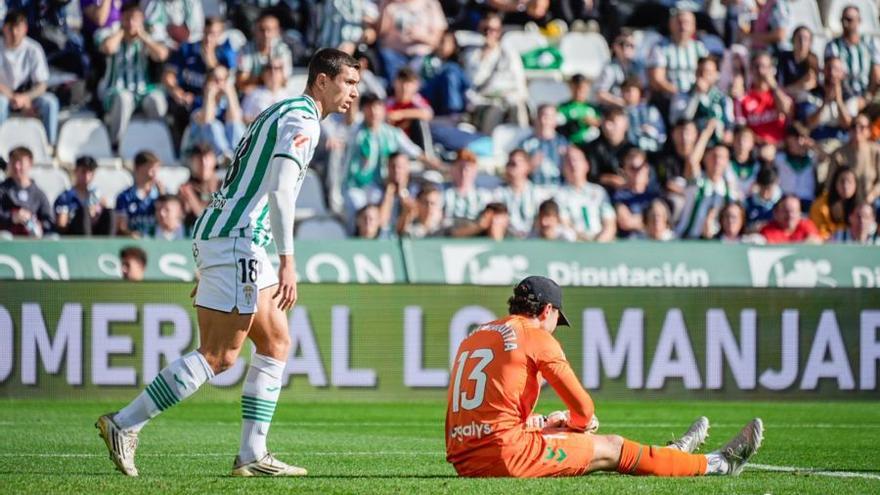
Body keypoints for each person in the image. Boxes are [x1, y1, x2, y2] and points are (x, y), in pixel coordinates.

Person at [96, 48, 360, 478]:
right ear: (322, 81)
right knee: (219, 356)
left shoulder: (281, 111)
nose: (353, 93)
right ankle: (124, 423)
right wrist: (288, 261)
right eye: (348, 83)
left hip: (230, 237)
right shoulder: (303, 120)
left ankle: (252, 453)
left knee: (275, 342)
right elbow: (279, 190)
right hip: (241, 241)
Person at [446, 275, 763, 478]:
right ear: (547, 312)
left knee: (585, 446)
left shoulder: (476, 334)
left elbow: (482, 414)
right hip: (504, 458)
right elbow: (584, 411)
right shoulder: (537, 336)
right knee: (610, 446)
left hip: (464, 457)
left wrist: (543, 424)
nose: (557, 325)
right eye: (558, 317)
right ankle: (716, 464)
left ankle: (672, 456)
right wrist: (574, 427)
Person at [96, 2, 169, 146]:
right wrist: (123, 31)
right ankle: (116, 144)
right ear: (121, 18)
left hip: (143, 89)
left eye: (135, 19)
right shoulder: (110, 31)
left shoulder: (149, 34)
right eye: (127, 18)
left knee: (157, 99)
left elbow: (161, 55)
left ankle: (158, 143)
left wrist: (143, 36)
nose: (131, 23)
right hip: (115, 89)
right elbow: (108, 48)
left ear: (142, 20)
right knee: (124, 99)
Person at [0, 10, 59, 147]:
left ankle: (49, 147)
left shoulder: (34, 49)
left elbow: (41, 85)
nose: (15, 33)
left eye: (18, 28)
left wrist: (26, 98)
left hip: (28, 97)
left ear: (25, 29)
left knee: (50, 103)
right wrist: (13, 97)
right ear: (4, 28)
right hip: (4, 96)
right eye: (11, 28)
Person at [462, 12, 528, 133]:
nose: (489, 33)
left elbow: (520, 85)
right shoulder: (469, 54)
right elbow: (468, 84)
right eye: (485, 29)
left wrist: (508, 98)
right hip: (478, 102)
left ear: (499, 32)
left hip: (504, 100)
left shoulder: (508, 54)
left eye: (493, 30)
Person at [676, 120, 741, 239]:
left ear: (727, 162)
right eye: (714, 156)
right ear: (705, 158)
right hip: (688, 239)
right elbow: (692, 161)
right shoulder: (699, 181)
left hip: (715, 242)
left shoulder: (728, 188)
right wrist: (707, 133)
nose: (717, 161)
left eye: (722, 157)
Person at [647, 9, 708, 113]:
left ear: (694, 26)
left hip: (695, 97)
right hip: (669, 100)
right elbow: (657, 79)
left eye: (687, 23)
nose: (683, 27)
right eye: (679, 22)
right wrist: (679, 93)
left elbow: (708, 73)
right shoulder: (660, 47)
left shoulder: (699, 48)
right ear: (671, 25)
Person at [181, 65, 245, 160]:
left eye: (223, 80)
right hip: (199, 150)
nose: (219, 83)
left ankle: (240, 157)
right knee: (213, 125)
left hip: (228, 149)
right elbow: (207, 121)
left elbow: (236, 121)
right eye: (214, 79)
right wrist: (209, 95)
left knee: (235, 125)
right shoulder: (198, 102)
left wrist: (230, 93)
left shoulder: (226, 103)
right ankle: (223, 157)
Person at [376, 0, 447, 84]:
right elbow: (380, 33)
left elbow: (437, 41)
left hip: (422, 56)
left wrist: (419, 36)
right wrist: (385, 6)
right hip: (394, 56)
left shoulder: (431, 4)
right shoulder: (391, 5)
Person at [670, 56, 734, 145]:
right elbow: (681, 120)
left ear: (716, 75)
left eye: (708, 72)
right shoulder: (682, 95)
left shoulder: (724, 99)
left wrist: (726, 133)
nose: (703, 75)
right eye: (700, 71)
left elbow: (729, 125)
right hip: (692, 146)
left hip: (715, 146)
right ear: (695, 73)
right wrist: (696, 95)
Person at [559, 146, 616, 242]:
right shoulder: (559, 195)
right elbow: (565, 225)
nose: (573, 164)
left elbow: (610, 224)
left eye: (576, 160)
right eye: (568, 161)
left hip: (601, 246)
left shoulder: (599, 192)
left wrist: (598, 244)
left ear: (587, 165)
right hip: (574, 248)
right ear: (562, 168)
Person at [824, 5, 880, 99]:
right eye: (843, 19)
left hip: (866, 95)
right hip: (842, 96)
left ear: (859, 21)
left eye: (849, 20)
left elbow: (877, 74)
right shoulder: (833, 46)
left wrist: (867, 98)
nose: (845, 23)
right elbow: (831, 77)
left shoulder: (869, 43)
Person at [737, 51, 792, 145]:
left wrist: (773, 86)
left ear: (771, 69)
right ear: (751, 69)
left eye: (765, 67)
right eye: (757, 66)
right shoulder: (745, 97)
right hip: (758, 150)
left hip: (781, 149)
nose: (760, 71)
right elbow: (743, 130)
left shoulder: (779, 93)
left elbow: (788, 111)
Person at [0, 146, 54, 237]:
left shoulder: (39, 194)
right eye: (13, 162)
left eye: (20, 162)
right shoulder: (2, 190)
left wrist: (37, 224)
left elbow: (49, 221)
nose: (17, 167)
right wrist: (12, 217)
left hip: (33, 245)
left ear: (30, 163)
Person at [828, 113, 880, 206]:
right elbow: (830, 183)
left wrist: (871, 197)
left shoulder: (876, 152)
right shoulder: (838, 154)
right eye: (853, 126)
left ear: (869, 131)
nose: (857, 130)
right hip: (846, 204)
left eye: (862, 127)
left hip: (871, 202)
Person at [54, 156, 114, 236]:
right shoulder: (65, 197)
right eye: (83, 172)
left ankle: (108, 246)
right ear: (75, 171)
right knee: (84, 212)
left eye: (90, 172)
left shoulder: (97, 195)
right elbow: (62, 224)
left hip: (95, 233)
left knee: (109, 213)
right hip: (74, 236)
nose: (87, 176)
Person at [235, 13, 292, 94]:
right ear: (255, 30)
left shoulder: (283, 50)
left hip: (275, 94)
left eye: (270, 30)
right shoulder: (245, 49)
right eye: (262, 30)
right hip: (252, 95)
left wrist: (256, 79)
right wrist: (268, 76)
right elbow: (242, 81)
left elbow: (284, 81)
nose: (266, 34)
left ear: (277, 31)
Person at [496, 149, 547, 238]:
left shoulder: (539, 194)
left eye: (515, 164)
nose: (511, 168)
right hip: (508, 241)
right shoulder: (498, 194)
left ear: (527, 166)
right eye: (509, 164)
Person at [115, 151, 163, 238]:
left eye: (157, 168)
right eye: (151, 167)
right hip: (134, 244)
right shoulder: (125, 197)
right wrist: (130, 234)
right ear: (138, 168)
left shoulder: (161, 194)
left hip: (158, 242)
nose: (155, 172)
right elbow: (121, 227)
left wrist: (163, 197)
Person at [518, 104, 569, 186]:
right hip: (534, 191)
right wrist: (530, 166)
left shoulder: (563, 143)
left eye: (549, 117)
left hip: (558, 189)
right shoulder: (525, 144)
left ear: (555, 121)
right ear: (536, 119)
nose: (544, 120)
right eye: (541, 116)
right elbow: (516, 170)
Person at [613, 148, 659, 238]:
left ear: (646, 168)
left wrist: (638, 221)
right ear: (625, 170)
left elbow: (662, 225)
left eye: (639, 167)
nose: (637, 172)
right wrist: (651, 221)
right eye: (632, 168)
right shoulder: (619, 196)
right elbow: (626, 222)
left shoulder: (655, 194)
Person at [583, 106, 631, 191]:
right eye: (605, 120)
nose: (607, 126)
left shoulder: (632, 149)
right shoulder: (593, 148)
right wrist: (608, 179)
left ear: (625, 124)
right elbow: (589, 176)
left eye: (612, 121)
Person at [775, 126, 822, 210]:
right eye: (790, 141)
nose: (797, 143)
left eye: (799, 139)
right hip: (786, 201)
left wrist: (813, 145)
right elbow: (767, 154)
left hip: (807, 200)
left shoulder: (812, 157)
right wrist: (778, 146)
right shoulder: (780, 158)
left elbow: (825, 157)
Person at [809, 165, 861, 240]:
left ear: (856, 184)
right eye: (842, 181)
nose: (845, 186)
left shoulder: (861, 207)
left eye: (849, 182)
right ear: (835, 183)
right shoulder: (820, 205)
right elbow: (819, 233)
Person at [595, 30, 642, 109]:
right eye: (622, 44)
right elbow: (600, 94)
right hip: (614, 108)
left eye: (631, 45)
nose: (626, 48)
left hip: (635, 107)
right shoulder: (609, 68)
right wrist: (621, 103)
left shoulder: (638, 66)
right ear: (615, 47)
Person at [178, 143, 220, 230]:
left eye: (207, 158)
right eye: (199, 159)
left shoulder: (224, 187)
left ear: (214, 160)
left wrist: (193, 200)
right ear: (192, 162)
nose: (204, 163)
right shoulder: (185, 189)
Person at [443, 149, 492, 222]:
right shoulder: (442, 194)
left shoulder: (485, 196)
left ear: (475, 170)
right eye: (459, 168)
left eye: (467, 169)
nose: (463, 173)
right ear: (452, 169)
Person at [241, 58, 295, 124]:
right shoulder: (253, 94)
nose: (272, 72)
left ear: (282, 74)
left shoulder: (290, 96)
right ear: (263, 74)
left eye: (277, 68)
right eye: (269, 68)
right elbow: (244, 118)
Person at [557, 74, 601, 147]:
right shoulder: (563, 107)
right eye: (576, 87)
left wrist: (595, 122)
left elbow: (601, 123)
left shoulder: (593, 108)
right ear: (571, 87)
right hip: (568, 145)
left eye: (582, 88)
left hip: (590, 147)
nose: (579, 91)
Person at [745, 165, 783, 231]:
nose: (765, 194)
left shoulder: (784, 203)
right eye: (762, 189)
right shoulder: (748, 203)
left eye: (768, 189)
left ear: (777, 183)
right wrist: (751, 228)